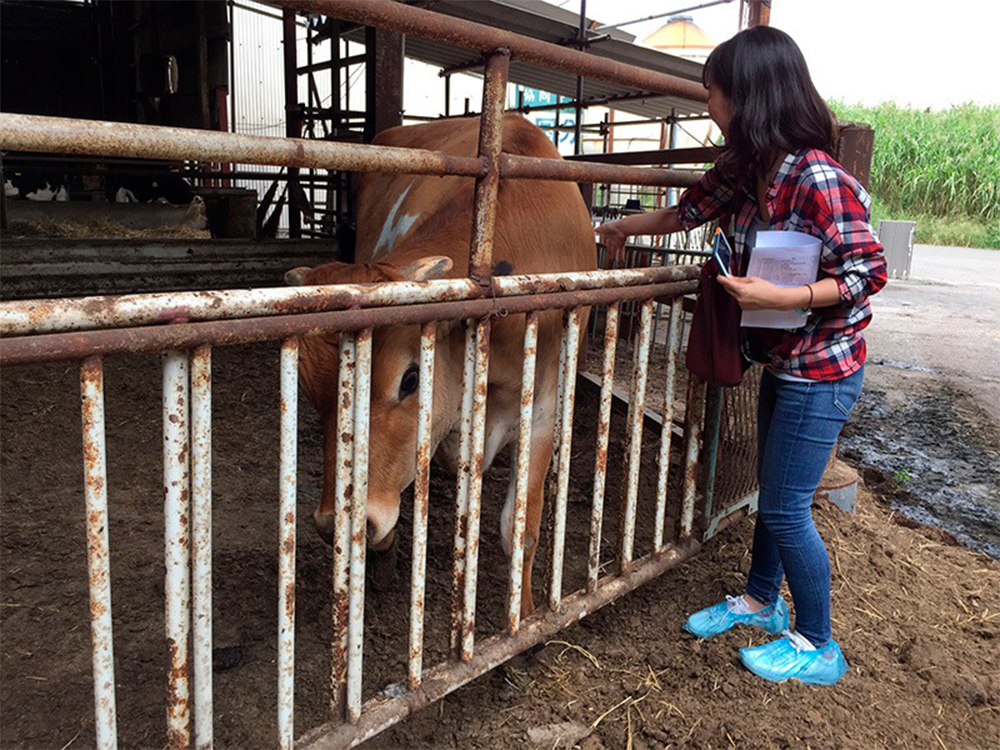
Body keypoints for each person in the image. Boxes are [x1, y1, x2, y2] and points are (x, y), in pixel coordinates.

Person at [597, 26, 886, 686]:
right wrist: (617, 229)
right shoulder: (748, 170)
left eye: (712, 92)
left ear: (748, 95)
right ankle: (760, 600)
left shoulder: (816, 176)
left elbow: (870, 270)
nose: (708, 105)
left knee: (786, 507)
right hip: (786, 360)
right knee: (770, 491)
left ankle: (818, 643)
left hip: (824, 367)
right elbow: (685, 214)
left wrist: (787, 294)